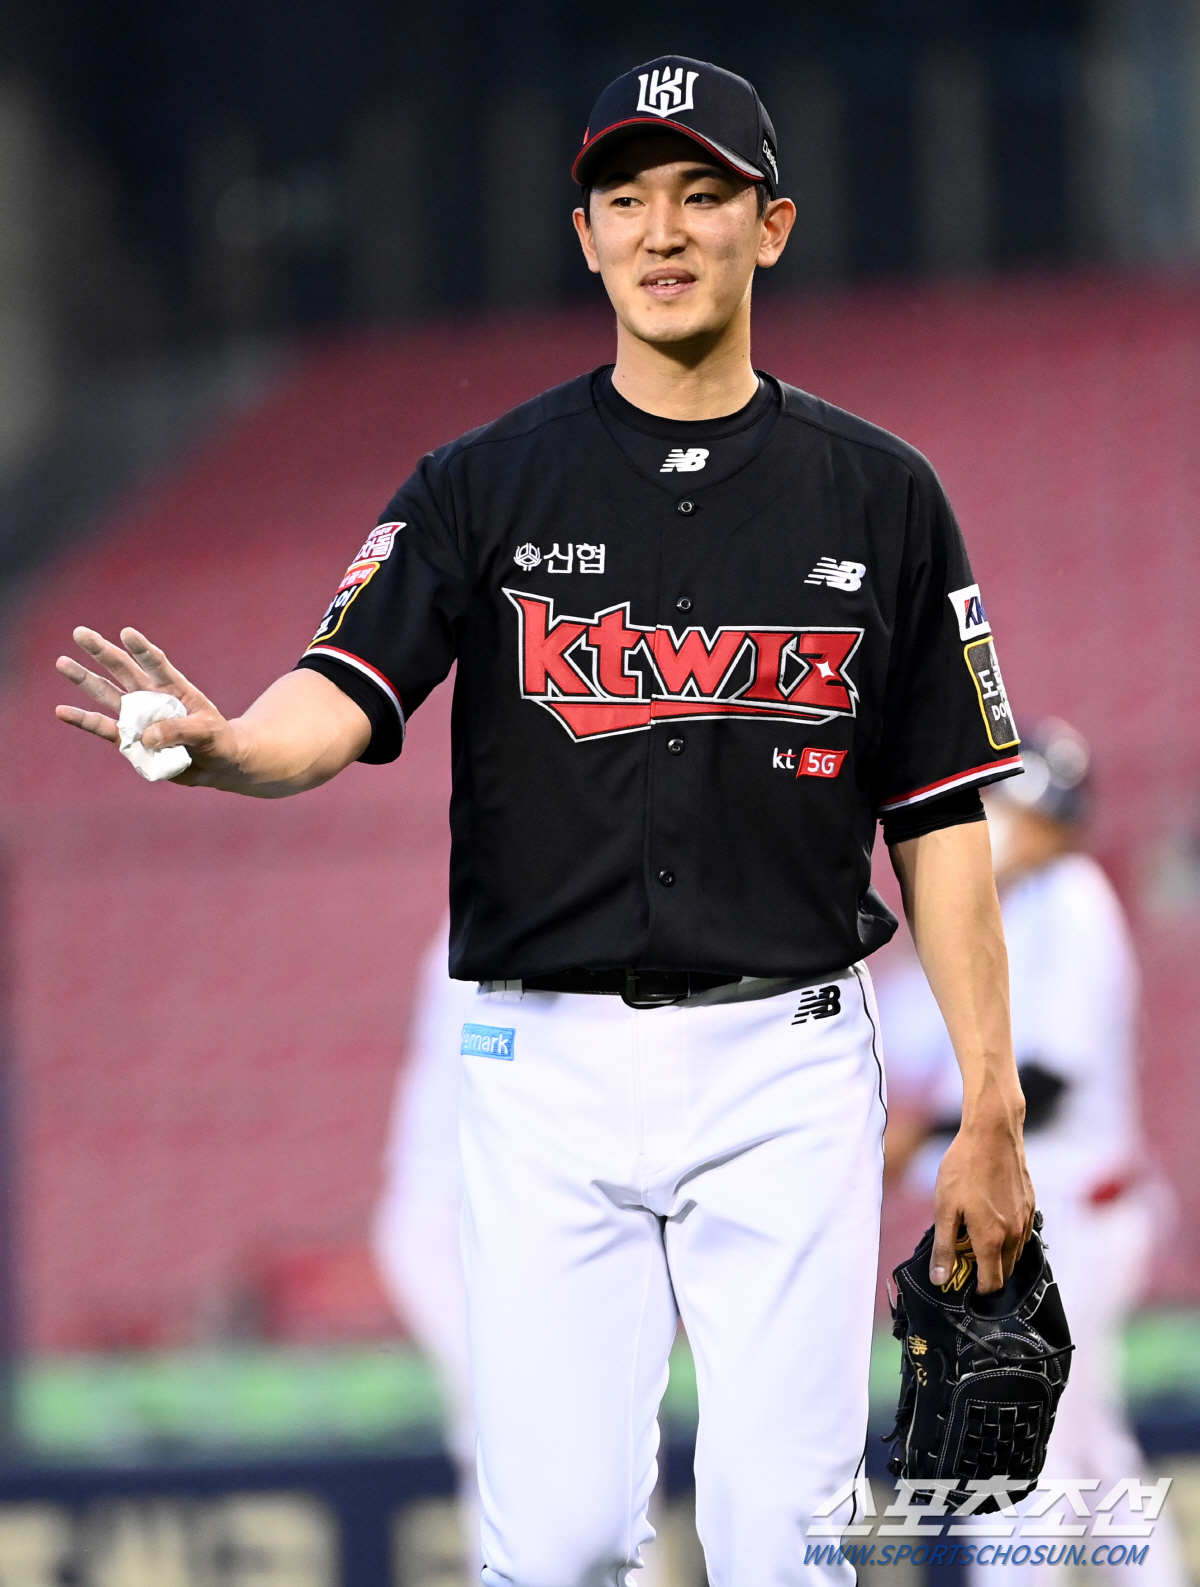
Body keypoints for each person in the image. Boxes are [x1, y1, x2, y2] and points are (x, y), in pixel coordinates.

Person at [54, 55, 1035, 1585]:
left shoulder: (883, 496)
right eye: (625, 199)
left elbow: (942, 817)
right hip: (541, 1061)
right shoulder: (484, 481)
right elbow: (341, 689)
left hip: (785, 1055)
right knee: (561, 1541)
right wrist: (233, 746)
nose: (663, 229)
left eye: (701, 194)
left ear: (771, 226)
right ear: (585, 237)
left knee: (784, 1540)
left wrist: (989, 1099)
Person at [878, 719, 1187, 1587]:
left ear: (1054, 823)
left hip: (1072, 1217)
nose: (1001, 822)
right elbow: (910, 1038)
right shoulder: (1013, 908)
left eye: (1017, 809)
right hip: (1051, 1220)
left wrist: (923, 1135)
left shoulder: (1072, 898)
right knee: (1092, 1453)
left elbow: (1046, 1081)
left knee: (1015, 1456)